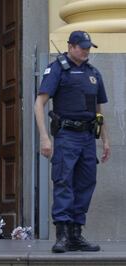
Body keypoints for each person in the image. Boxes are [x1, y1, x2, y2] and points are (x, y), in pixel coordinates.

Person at [34, 31, 110, 253]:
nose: (86, 50)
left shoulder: (93, 73)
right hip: (67, 135)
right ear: (71, 46)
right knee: (64, 182)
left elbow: (99, 111)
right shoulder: (57, 69)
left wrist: (105, 140)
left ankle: (76, 235)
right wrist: (44, 137)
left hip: (88, 138)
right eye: (82, 46)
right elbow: (40, 103)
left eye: (88, 47)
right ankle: (63, 236)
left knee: (85, 184)